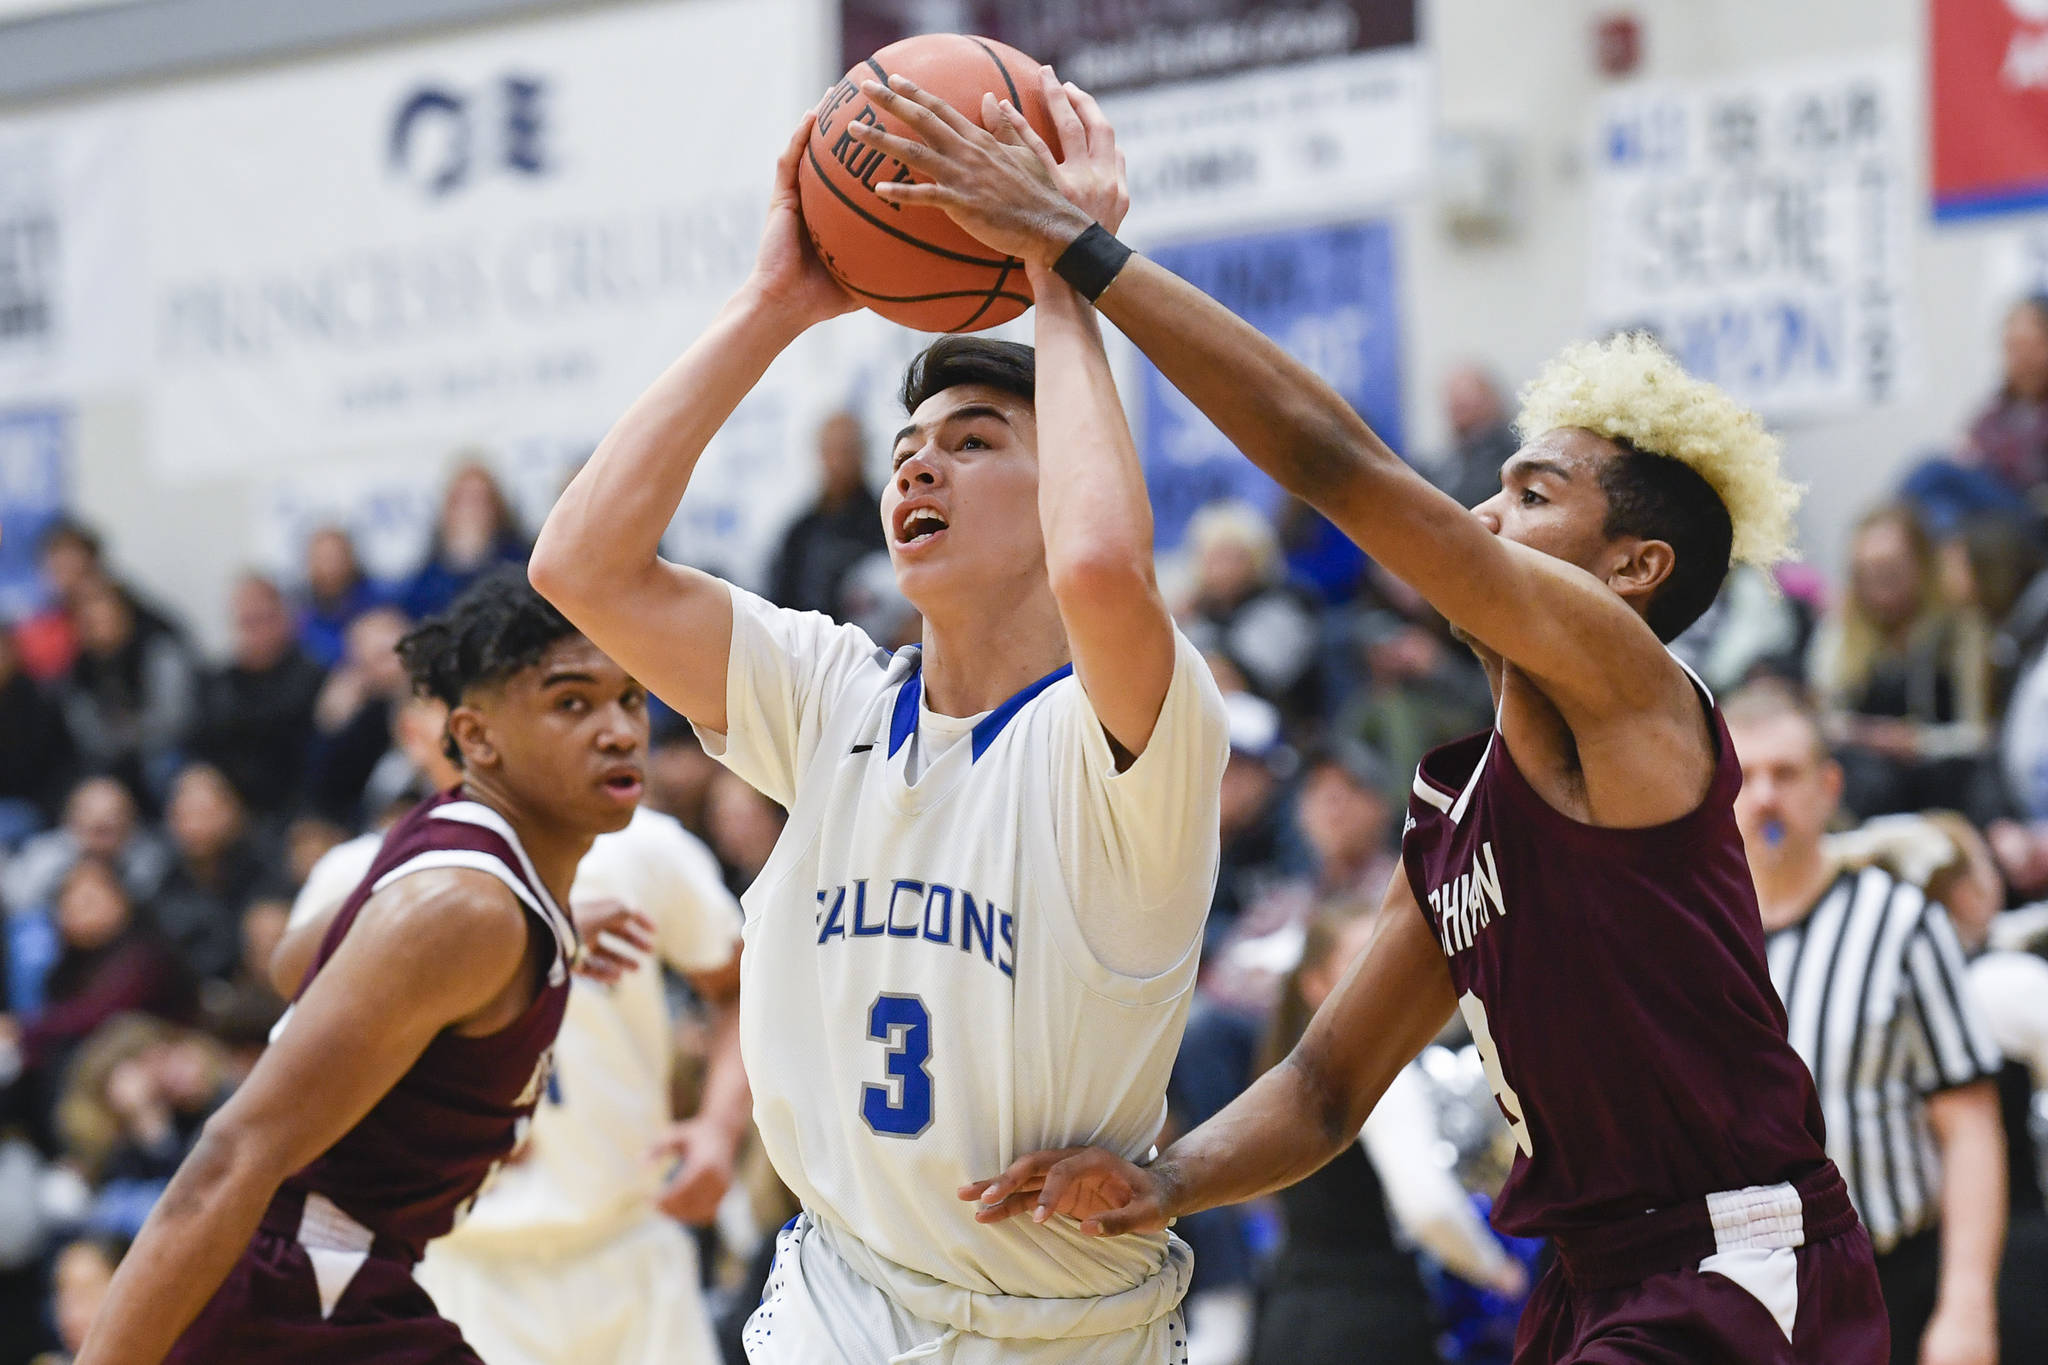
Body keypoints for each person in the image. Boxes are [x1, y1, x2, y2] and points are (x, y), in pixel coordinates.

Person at [858, 69, 1888, 1361]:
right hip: (1594, 1273)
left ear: (1636, 570)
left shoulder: (1636, 693)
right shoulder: (1461, 808)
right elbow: (1326, 1084)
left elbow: (1340, 466)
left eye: (1532, 491)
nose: (1486, 515)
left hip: (1729, 1254)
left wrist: (1075, 248)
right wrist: (1169, 1179)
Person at [529, 84, 1224, 1363]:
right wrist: (772, 307)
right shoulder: (829, 691)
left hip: (1065, 1331)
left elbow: (1104, 573)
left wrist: (1057, 263)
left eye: (972, 441)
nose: (918, 464)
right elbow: (581, 566)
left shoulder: (1131, 736)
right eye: (910, 445)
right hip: (837, 1299)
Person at [73, 571, 652, 1365]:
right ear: (478, 737)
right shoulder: (467, 906)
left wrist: (505, 946)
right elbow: (230, 1154)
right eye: (572, 703)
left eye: (631, 697)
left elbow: (290, 960)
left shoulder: (459, 852)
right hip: (289, 1291)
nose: (619, 729)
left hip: (328, 1279)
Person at [271, 693, 751, 1365]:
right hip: (454, 1268)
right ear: (416, 732)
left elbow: (738, 988)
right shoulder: (353, 878)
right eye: (456, 716)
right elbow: (298, 1081)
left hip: (632, 1250)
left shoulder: (638, 845)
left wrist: (718, 1127)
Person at [1723, 683, 2005, 1365]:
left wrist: (1967, 1301)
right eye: (1744, 776)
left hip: (1887, 1283)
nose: (1764, 796)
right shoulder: (1691, 945)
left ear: (1828, 786)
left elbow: (1968, 1124)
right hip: (1742, 1307)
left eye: (1785, 774)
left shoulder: (1900, 922)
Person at [1251, 906, 1526, 1365]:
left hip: (1288, 1325)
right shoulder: (1376, 1077)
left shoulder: (1286, 1085)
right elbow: (1428, 1207)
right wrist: (1498, 1272)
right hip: (1371, 1330)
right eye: (1364, 963)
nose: (1389, 978)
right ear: (1316, 985)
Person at [1806, 503, 1993, 818]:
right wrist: (1868, 735)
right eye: (1867, 572)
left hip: (1944, 779)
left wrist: (1920, 743)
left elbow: (1982, 734)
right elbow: (1819, 719)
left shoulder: (1959, 631)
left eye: (1891, 569)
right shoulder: (1840, 629)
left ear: (1921, 565)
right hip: (1865, 782)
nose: (1879, 583)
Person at [188, 574, 326, 820]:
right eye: (246, 622)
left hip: (297, 805)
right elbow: (200, 744)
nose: (256, 632)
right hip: (230, 808)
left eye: (263, 619)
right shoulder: (219, 683)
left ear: (285, 618)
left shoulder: (314, 677)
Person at [766, 409, 887, 618]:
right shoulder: (800, 532)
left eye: (847, 450)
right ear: (819, 454)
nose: (838, 462)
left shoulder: (887, 522)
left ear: (863, 452)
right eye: (831, 451)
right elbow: (776, 607)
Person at [397, 462, 530, 621]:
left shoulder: (519, 559)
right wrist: (462, 560)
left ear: (496, 507)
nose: (470, 511)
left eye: (479, 500)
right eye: (461, 501)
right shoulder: (429, 573)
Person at [1429, 365, 1522, 514]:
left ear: (1491, 399)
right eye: (1452, 399)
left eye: (1465, 398)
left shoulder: (1514, 455)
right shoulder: (1439, 465)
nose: (1456, 404)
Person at [296, 527, 386, 670]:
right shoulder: (299, 613)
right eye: (322, 558)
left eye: (335, 556)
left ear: (350, 557)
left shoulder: (377, 603)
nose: (329, 566)